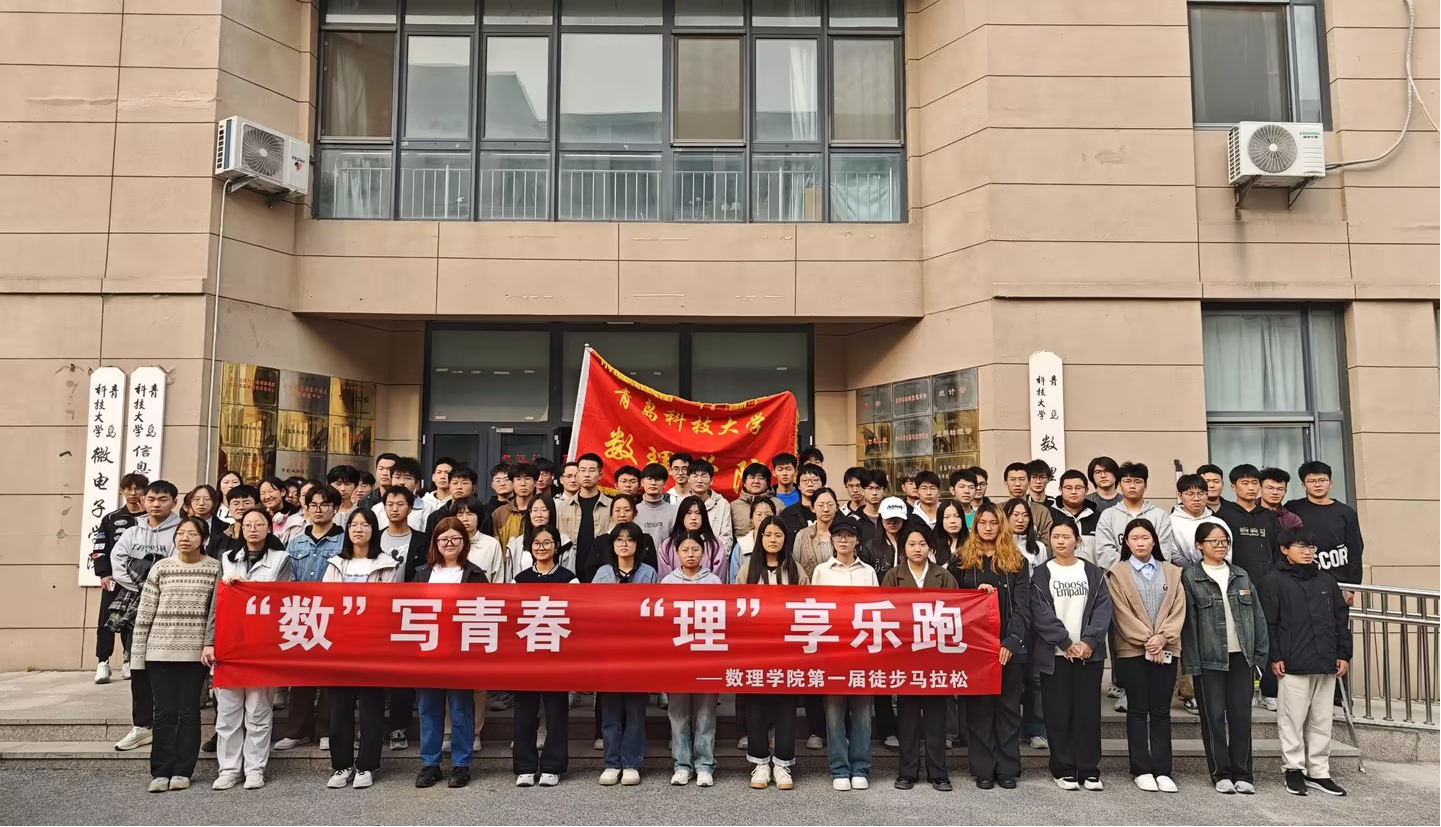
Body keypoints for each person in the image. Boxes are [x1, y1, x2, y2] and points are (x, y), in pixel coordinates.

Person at [131, 513, 218, 793]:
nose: (184, 538)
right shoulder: (161, 567)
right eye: (180, 533)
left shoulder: (215, 568)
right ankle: (160, 771)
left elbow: (215, 614)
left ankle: (183, 770)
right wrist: (138, 657)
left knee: (189, 712)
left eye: (192, 534)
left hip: (194, 655)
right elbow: (145, 613)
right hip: (159, 652)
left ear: (204, 539)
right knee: (163, 713)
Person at [205, 507, 292, 790]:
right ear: (240, 529)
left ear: (269, 528)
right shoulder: (227, 559)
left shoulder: (281, 559)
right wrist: (209, 642)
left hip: (262, 646)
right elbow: (215, 605)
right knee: (228, 713)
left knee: (258, 711)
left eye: (259, 524)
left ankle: (255, 769)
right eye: (247, 525)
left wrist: (246, 586)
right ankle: (229, 769)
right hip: (229, 645)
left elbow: (283, 597)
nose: (253, 529)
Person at [1263, 526, 1352, 797]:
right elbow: (1269, 623)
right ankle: (1293, 769)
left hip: (1326, 661)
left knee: (1322, 719)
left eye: (1311, 547)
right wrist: (1275, 656)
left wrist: (1343, 653)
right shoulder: (1273, 581)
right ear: (1284, 549)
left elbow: (1340, 618)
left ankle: (1319, 771)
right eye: (1301, 546)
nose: (1307, 552)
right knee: (1291, 719)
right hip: (1293, 662)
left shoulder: (1326, 580)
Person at [1182, 521, 1269, 795]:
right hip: (1209, 660)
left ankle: (1243, 773)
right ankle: (1220, 773)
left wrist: (1259, 656)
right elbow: (1188, 625)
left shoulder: (1241, 575)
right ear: (1199, 545)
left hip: (1241, 658)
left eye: (1224, 541)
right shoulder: (1191, 577)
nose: (1220, 546)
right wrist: (1191, 664)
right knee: (1214, 719)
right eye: (1213, 541)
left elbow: (1258, 617)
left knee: (1242, 717)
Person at [950, 503, 1030, 790]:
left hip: (1009, 648)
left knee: (1008, 710)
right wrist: (974, 594)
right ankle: (983, 768)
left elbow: (1023, 606)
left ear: (1001, 526)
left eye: (993, 523)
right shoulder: (961, 560)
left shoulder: (1017, 560)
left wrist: (1012, 641)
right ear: (975, 526)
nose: (987, 528)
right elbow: (951, 601)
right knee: (980, 711)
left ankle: (1007, 768)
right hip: (975, 649)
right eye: (982, 523)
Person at [1031, 517, 1112, 792]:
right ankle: (1063, 769)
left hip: (1089, 655)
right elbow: (1040, 613)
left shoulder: (1093, 572)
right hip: (1055, 656)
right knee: (1058, 713)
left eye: (1066, 537)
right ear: (1049, 541)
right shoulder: (1041, 574)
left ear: (1077, 541)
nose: (1061, 541)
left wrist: (1089, 641)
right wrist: (1065, 642)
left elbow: (1103, 609)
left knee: (1087, 713)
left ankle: (1089, 770)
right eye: (1056, 537)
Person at [1106, 519, 1185, 794]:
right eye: (1134, 538)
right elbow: (1120, 614)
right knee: (1138, 709)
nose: (1140, 543)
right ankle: (1141, 769)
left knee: (1161, 711)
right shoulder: (1117, 573)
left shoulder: (1172, 572)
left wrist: (1162, 639)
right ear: (1126, 542)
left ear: (1154, 541)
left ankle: (1163, 769)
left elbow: (1178, 609)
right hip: (1132, 650)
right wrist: (1148, 641)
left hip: (1167, 648)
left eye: (1145, 537)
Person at [322, 509, 399, 790]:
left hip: (372, 645)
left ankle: (367, 765)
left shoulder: (386, 564)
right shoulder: (335, 563)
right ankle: (341, 765)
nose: (358, 529)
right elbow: (326, 601)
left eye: (365, 525)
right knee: (339, 709)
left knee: (371, 708)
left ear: (373, 530)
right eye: (353, 524)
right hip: (340, 645)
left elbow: (387, 604)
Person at [881, 522, 957, 792]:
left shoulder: (943, 576)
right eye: (911, 544)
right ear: (903, 548)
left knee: (936, 719)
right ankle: (907, 771)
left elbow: (956, 613)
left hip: (936, 657)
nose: (917, 549)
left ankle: (938, 773)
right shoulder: (893, 576)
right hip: (905, 658)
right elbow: (885, 614)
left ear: (930, 547)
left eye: (922, 544)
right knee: (908, 719)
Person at [412, 517, 487, 790]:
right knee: (429, 710)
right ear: (435, 542)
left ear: (464, 543)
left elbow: (485, 612)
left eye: (456, 538)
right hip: (428, 651)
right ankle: (430, 764)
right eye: (444, 539)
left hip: (461, 652)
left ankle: (461, 764)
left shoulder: (475, 574)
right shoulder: (422, 573)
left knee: (460, 710)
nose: (450, 543)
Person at [110, 480, 182, 753]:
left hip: (169, 607)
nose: (156, 504)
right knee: (138, 665)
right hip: (135, 606)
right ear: (143, 501)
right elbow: (118, 564)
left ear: (174, 502)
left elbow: (176, 568)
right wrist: (144, 584)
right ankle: (141, 726)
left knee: (168, 666)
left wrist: (144, 573)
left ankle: (167, 723)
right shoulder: (131, 531)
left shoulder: (182, 530)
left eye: (163, 499)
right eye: (151, 499)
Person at [273, 485, 345, 751]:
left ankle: (326, 730)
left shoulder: (344, 541)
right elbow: (288, 577)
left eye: (324, 505)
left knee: (329, 676)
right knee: (301, 674)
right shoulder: (296, 542)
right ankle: (297, 731)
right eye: (313, 505)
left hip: (333, 614)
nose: (318, 510)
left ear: (335, 509)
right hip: (301, 613)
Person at [740, 517, 807, 790]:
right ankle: (759, 763)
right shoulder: (748, 569)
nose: (773, 539)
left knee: (785, 707)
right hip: (755, 649)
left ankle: (782, 764)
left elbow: (807, 605)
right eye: (767, 534)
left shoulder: (795, 569)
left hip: (788, 649)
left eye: (778, 535)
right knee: (756, 705)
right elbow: (737, 607)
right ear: (760, 537)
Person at [810, 520, 876, 790]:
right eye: (839, 536)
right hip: (832, 651)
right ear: (832, 540)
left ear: (857, 540)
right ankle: (839, 769)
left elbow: (877, 610)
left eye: (849, 536)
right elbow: (812, 609)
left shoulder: (868, 572)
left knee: (862, 714)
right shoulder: (821, 571)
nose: (844, 540)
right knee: (834, 714)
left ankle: (860, 767)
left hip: (862, 651)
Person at [592, 521, 657, 786]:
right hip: (608, 652)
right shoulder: (603, 574)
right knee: (610, 711)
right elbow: (590, 611)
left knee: (635, 711)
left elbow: (657, 612)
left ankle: (631, 762)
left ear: (638, 545)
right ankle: (611, 763)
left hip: (638, 653)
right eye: (619, 540)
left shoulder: (649, 573)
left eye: (630, 540)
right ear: (612, 545)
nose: (624, 544)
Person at [511, 525, 575, 788]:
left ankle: (552, 766)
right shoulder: (520, 579)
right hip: (526, 656)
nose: (542, 548)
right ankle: (525, 766)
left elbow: (576, 617)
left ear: (556, 546)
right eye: (537, 543)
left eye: (547, 543)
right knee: (524, 712)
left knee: (556, 712)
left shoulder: (569, 579)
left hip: (557, 656)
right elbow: (512, 617)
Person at [1216, 464, 1284, 711]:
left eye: (1255, 483)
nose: (1251, 488)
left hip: (1267, 586)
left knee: (1267, 637)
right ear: (1233, 486)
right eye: (1245, 483)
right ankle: (1239, 693)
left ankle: (1268, 691)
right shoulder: (1223, 516)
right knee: (1236, 639)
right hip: (1234, 587)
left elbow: (1279, 551)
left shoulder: (1269, 517)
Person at [659, 532, 721, 787]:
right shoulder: (667, 582)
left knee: (706, 713)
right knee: (678, 713)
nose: (690, 554)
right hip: (678, 657)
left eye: (695, 549)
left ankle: (705, 764)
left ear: (703, 553)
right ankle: (682, 764)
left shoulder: (714, 581)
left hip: (707, 655)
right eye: (685, 550)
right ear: (677, 554)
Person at [91, 472, 149, 684]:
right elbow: (99, 547)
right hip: (114, 578)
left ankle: (128, 660)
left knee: (132, 621)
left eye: (138, 488)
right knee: (107, 620)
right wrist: (104, 573)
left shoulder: (150, 518)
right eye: (128, 489)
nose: (133, 493)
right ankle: (102, 662)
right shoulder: (110, 519)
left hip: (139, 580)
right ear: (122, 491)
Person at [1285, 461, 1364, 591]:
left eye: (1322, 480)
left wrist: (1352, 587)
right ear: (1304, 485)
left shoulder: (1346, 512)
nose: (1317, 484)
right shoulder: (1293, 508)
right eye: (1311, 481)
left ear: (1330, 483)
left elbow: (1355, 549)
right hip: (1303, 582)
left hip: (1339, 584)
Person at [1094, 462, 1174, 572]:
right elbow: (1105, 553)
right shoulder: (1108, 515)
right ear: (1119, 485)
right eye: (1127, 481)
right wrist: (1131, 571)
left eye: (1138, 481)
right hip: (1118, 577)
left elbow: (1164, 551)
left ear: (1145, 486)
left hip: (1153, 576)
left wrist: (1145, 571)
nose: (1132, 486)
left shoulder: (1160, 516)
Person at [584, 495, 655, 584]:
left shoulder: (645, 539)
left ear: (635, 513)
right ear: (611, 515)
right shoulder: (600, 541)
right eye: (617, 510)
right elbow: (591, 572)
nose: (622, 514)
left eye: (627, 510)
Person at [558, 454, 612, 570]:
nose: (587, 474)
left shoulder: (611, 506)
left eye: (592, 470)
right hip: (571, 567)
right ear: (577, 474)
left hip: (603, 568)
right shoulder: (563, 507)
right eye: (582, 470)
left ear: (600, 475)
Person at [1166, 474, 1232, 568]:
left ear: (1207, 494)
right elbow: (1172, 553)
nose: (1196, 498)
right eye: (1190, 494)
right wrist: (1192, 573)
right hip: (1182, 573)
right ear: (1180, 495)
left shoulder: (1218, 523)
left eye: (1201, 494)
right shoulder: (1169, 522)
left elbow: (1227, 552)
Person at [658, 496, 724, 580]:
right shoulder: (667, 545)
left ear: (703, 517)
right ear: (681, 517)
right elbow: (666, 580)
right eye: (689, 513)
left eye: (698, 513)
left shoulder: (715, 545)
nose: (693, 517)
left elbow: (718, 580)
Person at [506, 497, 574, 574]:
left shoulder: (564, 542)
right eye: (535, 510)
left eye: (544, 510)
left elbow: (570, 574)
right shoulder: (517, 543)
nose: (539, 515)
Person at [794, 487, 843, 580]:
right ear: (812, 508)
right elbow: (796, 568)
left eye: (830, 505)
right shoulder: (802, 535)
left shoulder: (845, 536)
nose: (826, 509)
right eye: (821, 505)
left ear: (837, 507)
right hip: (810, 587)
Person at [685, 459, 734, 553]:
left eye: (704, 476)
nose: (699, 480)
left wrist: (716, 558)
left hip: (715, 557)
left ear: (711, 480)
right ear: (688, 479)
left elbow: (726, 537)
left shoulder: (722, 504)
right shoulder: (680, 504)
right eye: (695, 476)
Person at [204, 484, 265, 559]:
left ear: (257, 506)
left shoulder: (264, 536)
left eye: (246, 503)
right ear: (229, 507)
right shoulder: (218, 539)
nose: (241, 507)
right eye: (236, 503)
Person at [1054, 470, 1101, 564]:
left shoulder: (1098, 517)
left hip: (1090, 572)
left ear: (1086, 490)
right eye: (1068, 488)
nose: (1073, 492)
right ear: (1060, 489)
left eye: (1078, 488)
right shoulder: (1051, 514)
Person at [729, 496, 777, 586]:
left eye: (768, 515)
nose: (763, 518)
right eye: (759, 514)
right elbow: (734, 580)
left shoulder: (780, 543)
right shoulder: (741, 546)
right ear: (751, 518)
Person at [427, 465, 484, 538]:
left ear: (473, 488)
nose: (459, 487)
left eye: (464, 483)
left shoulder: (483, 513)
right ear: (449, 486)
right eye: (455, 483)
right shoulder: (436, 516)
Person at [1002, 463, 1053, 541]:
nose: (1017, 484)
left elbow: (1047, 542)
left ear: (1029, 482)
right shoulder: (997, 510)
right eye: (1013, 479)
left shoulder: (1042, 512)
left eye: (1022, 479)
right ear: (1005, 482)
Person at [636, 462, 680, 552]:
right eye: (649, 479)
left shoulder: (674, 511)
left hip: (667, 559)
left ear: (664, 483)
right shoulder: (634, 511)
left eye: (657, 479)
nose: (653, 483)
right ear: (642, 482)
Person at [731, 462, 781, 540]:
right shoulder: (734, 506)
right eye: (752, 477)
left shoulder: (778, 504)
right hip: (742, 547)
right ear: (744, 482)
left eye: (761, 478)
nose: (756, 481)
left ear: (767, 484)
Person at [867, 496, 909, 577]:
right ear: (881, 518)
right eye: (888, 518)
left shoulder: (912, 544)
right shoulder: (870, 546)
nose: (892, 522)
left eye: (896, 518)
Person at [778, 463, 825, 534]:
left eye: (815, 480)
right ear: (799, 486)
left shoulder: (830, 512)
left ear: (823, 484)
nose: (810, 484)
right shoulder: (787, 514)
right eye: (805, 480)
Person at [1006, 497, 1048, 570]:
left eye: (1025, 515)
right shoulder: (997, 547)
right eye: (1016, 514)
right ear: (1006, 517)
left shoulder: (1039, 547)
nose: (1021, 520)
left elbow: (1042, 575)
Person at [259, 476, 301, 544]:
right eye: (262, 493)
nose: (267, 497)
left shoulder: (296, 519)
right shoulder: (259, 517)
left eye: (270, 491)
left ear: (283, 492)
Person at [934, 501, 968, 567]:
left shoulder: (972, 543)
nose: (952, 521)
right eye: (947, 517)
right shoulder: (932, 545)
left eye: (957, 516)